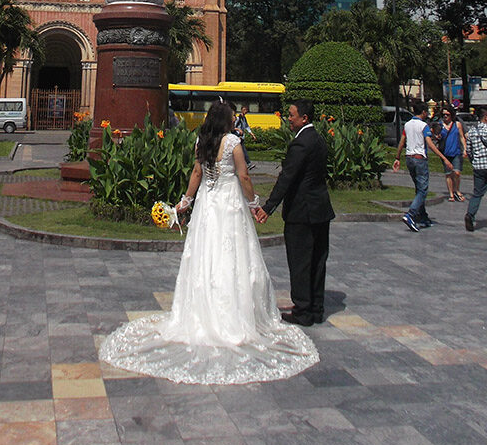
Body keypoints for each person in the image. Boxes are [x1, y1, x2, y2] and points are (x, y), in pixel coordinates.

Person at [99, 100, 319, 384]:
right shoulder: (232, 143)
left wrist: (185, 202)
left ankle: (202, 313)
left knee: (205, 255)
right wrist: (254, 203)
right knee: (233, 258)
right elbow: (243, 175)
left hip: (207, 205)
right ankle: (235, 317)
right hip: (229, 205)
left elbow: (196, 174)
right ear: (227, 120)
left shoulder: (201, 142)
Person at [255, 100, 335, 326]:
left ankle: (302, 311)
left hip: (302, 212)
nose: (288, 118)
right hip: (321, 209)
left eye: (291, 115)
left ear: (304, 118)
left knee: (300, 262)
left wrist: (268, 207)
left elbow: (287, 178)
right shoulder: (318, 139)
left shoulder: (301, 143)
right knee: (318, 261)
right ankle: (316, 308)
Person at [393, 100, 454, 231]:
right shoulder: (423, 126)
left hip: (409, 158)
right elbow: (430, 144)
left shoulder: (407, 125)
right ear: (424, 112)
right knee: (423, 190)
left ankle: (423, 217)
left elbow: (402, 141)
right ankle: (411, 214)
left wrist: (397, 157)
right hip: (420, 159)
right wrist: (444, 158)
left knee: (419, 188)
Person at [439, 106, 467, 202]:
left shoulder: (457, 124)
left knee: (457, 172)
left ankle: (457, 190)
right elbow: (436, 137)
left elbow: (462, 137)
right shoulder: (440, 125)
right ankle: (451, 193)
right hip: (445, 153)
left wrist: (465, 149)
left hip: (456, 152)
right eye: (443, 115)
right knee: (448, 174)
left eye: (447, 114)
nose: (445, 116)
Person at [234, 103, 257, 169]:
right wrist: (238, 130)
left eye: (246, 110)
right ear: (241, 110)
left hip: (241, 137)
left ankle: (241, 164)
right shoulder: (238, 118)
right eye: (244, 109)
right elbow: (232, 127)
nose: (245, 111)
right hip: (237, 137)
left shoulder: (244, 118)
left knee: (240, 151)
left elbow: (247, 127)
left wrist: (252, 134)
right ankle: (248, 164)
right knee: (243, 151)